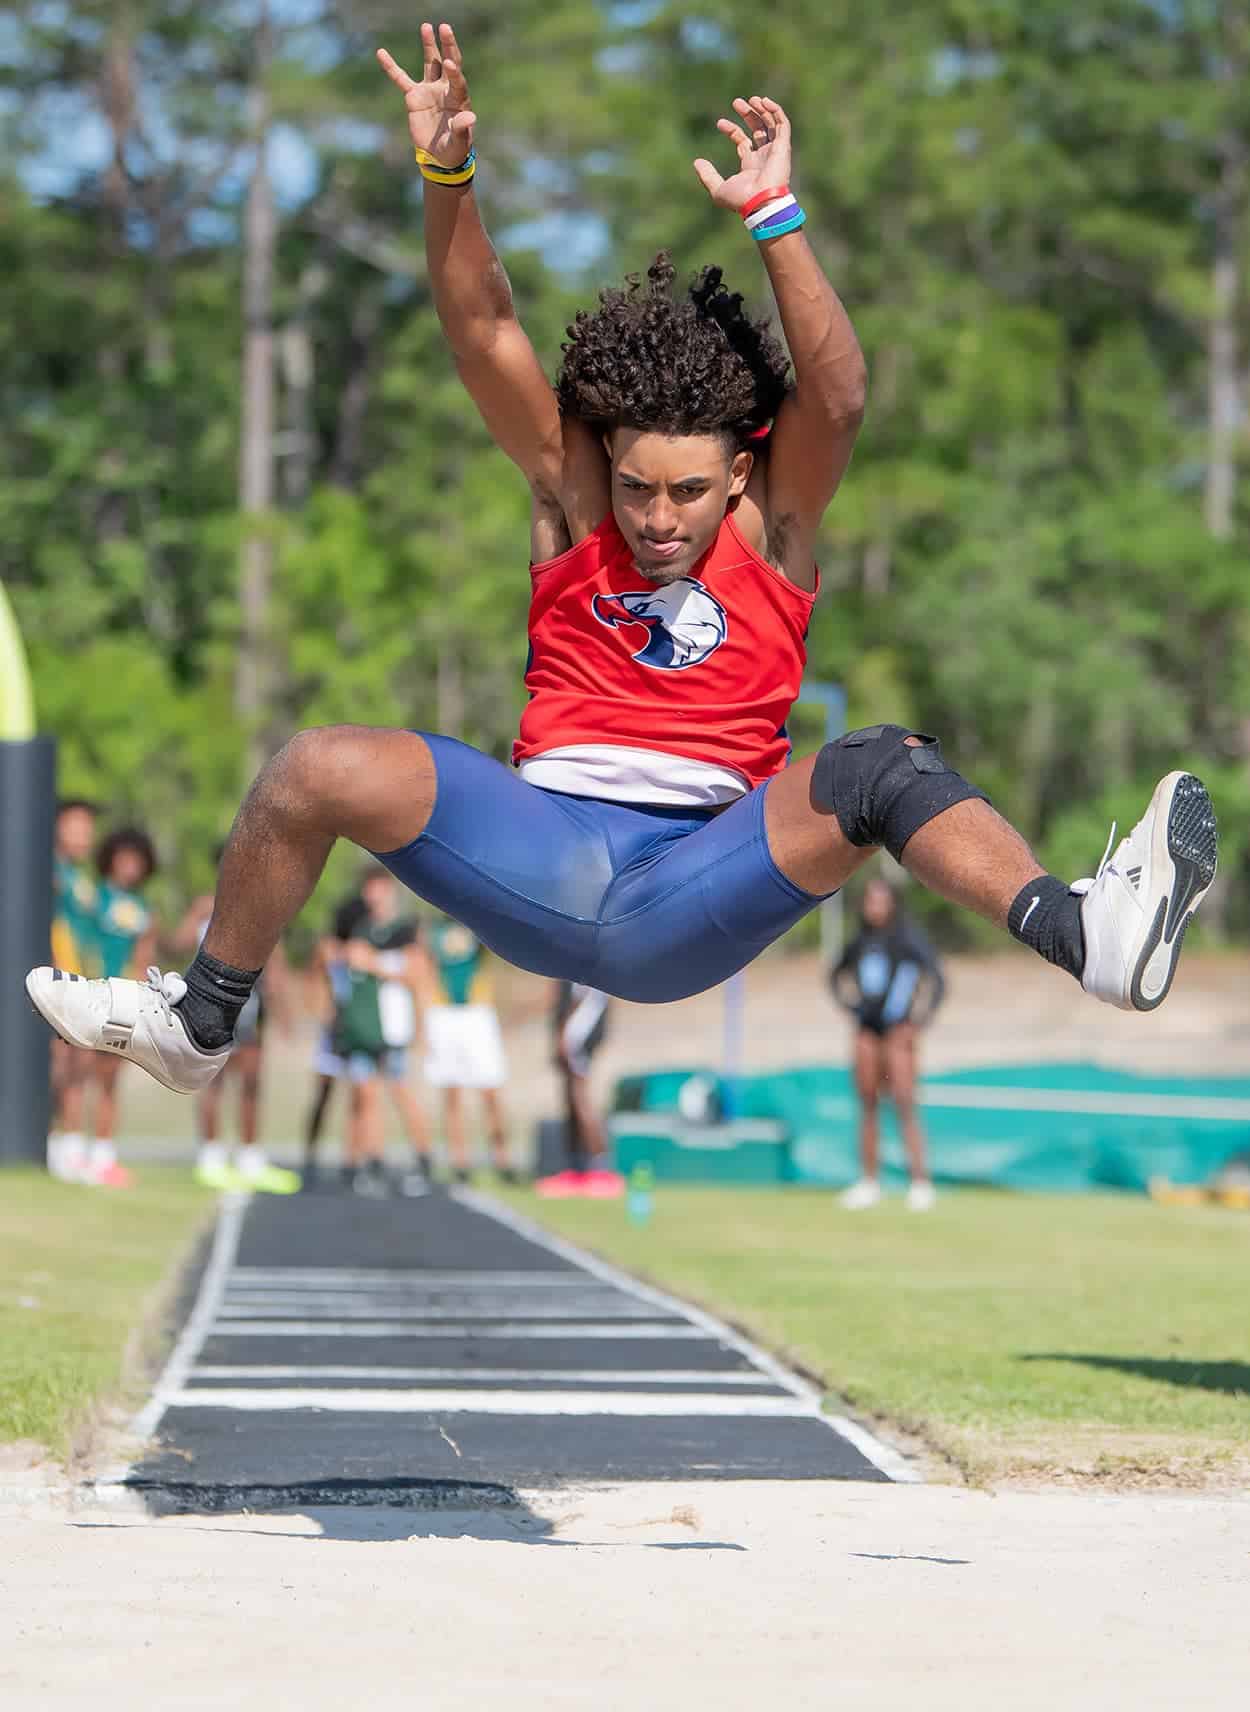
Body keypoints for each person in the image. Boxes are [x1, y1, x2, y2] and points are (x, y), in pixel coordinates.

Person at [27, 24, 1218, 1111]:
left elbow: (840, 393)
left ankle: (1082, 932)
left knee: (878, 764)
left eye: (687, 493)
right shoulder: (570, 491)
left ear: (741, 477)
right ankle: (200, 1019)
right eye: (638, 486)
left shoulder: (776, 525)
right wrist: (447, 175)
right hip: (537, 848)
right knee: (312, 768)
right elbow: (481, 321)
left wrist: (776, 218)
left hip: (696, 882)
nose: (655, 518)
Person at [174, 851, 299, 1195]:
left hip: (250, 1004)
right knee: (212, 1080)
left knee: (251, 1082)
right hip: (211, 1002)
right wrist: (197, 915)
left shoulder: (264, 907)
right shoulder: (207, 905)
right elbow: (179, 943)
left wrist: (284, 1013)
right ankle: (211, 1158)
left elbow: (276, 966)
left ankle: (250, 1158)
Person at [831, 876, 945, 1211]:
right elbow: (835, 976)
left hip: (898, 1030)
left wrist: (918, 1022)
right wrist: (852, 1007)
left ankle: (920, 1182)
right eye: (869, 901)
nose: (874, 907)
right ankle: (869, 1182)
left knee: (904, 1102)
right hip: (868, 1029)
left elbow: (937, 979)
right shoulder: (861, 941)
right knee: (867, 1103)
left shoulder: (907, 939)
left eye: (880, 900)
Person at [317, 872, 433, 1196]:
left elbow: (416, 975)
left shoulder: (405, 930)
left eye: (379, 889)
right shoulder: (361, 930)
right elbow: (339, 960)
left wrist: (374, 964)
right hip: (363, 1025)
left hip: (393, 1027)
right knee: (365, 1095)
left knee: (400, 1092)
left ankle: (424, 1160)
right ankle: (372, 1162)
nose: (373, 896)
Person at [79, 826, 160, 1187]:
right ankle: (68, 1145)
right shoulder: (94, 898)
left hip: (124, 1002)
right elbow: (83, 942)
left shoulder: (143, 908)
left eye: (136, 861)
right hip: (90, 993)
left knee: (110, 1078)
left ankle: (103, 1152)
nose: (130, 867)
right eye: (124, 859)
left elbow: (144, 953)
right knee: (76, 1072)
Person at [423, 915, 513, 1184]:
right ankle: (459, 1160)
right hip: (444, 1012)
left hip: (476, 1012)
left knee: (490, 1090)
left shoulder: (477, 920)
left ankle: (502, 1158)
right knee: (452, 1091)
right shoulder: (432, 929)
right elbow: (425, 966)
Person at [536, 981, 621, 1198]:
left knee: (580, 1097)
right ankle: (575, 1166)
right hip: (581, 1027)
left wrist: (564, 1032)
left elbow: (579, 996)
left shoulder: (581, 960)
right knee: (571, 1098)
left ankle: (601, 1165)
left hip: (580, 1029)